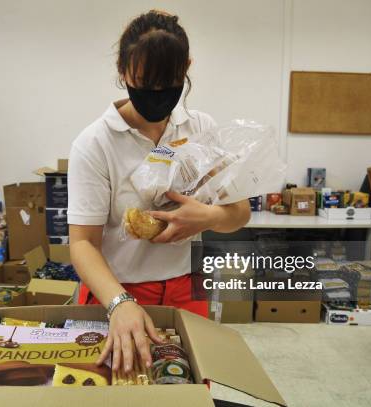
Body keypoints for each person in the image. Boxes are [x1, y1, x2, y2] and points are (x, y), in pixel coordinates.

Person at [67, 10, 251, 375]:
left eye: (168, 82)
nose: (156, 95)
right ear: (122, 72)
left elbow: (240, 213)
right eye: (143, 82)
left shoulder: (201, 128)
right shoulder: (95, 144)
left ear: (187, 68)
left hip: (186, 289)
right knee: (118, 389)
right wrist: (120, 303)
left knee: (184, 389)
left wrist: (209, 216)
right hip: (116, 291)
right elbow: (82, 244)